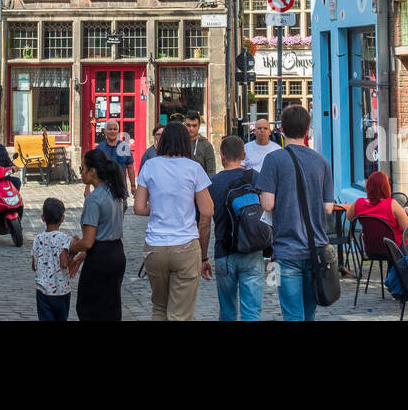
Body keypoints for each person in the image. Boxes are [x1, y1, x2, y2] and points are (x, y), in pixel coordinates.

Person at [257, 104, 334, 322]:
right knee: (309, 314)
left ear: (280, 129)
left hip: (286, 251)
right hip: (316, 248)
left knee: (292, 314)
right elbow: (328, 208)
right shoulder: (322, 162)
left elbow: (268, 204)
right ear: (307, 130)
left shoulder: (273, 160)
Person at [134, 121, 214, 320]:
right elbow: (208, 209)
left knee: (159, 308)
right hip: (185, 245)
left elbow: (139, 208)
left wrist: (160, 207)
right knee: (180, 314)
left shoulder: (150, 166)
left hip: (155, 247)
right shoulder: (193, 168)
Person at [207, 135, 265, 321]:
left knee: (227, 312)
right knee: (252, 312)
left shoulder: (212, 183)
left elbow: (204, 223)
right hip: (252, 250)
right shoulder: (256, 178)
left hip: (224, 252)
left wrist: (202, 256)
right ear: (244, 154)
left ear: (222, 156)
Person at [71, 148, 128, 321]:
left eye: (82, 169)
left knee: (89, 308)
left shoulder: (93, 199)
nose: (81, 173)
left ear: (92, 171)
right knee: (111, 307)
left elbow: (88, 241)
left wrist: (72, 246)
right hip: (117, 252)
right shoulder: (117, 193)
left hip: (100, 257)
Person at [31, 197, 74, 321]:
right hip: (61, 291)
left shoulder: (37, 239)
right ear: (62, 218)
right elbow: (64, 264)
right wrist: (72, 255)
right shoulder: (64, 238)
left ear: (42, 218)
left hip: (42, 290)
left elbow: (34, 266)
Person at [347, 170, 408, 249]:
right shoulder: (391, 204)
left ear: (368, 186)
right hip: (394, 250)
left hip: (371, 249)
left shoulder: (358, 204)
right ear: (386, 187)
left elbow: (349, 217)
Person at [87, 119, 135, 197]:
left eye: (115, 129)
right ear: (105, 131)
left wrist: (133, 185)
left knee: (121, 209)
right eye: (109, 129)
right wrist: (87, 188)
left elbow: (130, 167)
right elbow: (92, 168)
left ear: (118, 131)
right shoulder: (99, 148)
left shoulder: (124, 147)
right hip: (103, 190)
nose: (112, 131)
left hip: (120, 189)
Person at [183, 110, 217, 176]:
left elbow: (211, 172)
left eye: (194, 125)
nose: (191, 128)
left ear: (199, 126)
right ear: (184, 124)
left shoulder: (206, 146)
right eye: (188, 125)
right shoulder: (178, 142)